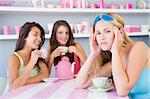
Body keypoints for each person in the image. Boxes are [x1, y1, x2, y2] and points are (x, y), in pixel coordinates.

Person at [75, 13, 150, 98]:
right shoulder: (113, 64)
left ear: (120, 33)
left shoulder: (139, 48)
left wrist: (115, 51)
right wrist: (93, 54)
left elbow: (122, 91)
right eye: (98, 33)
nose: (102, 37)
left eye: (107, 31)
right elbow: (80, 84)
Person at [8, 22, 49, 91]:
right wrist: (32, 62)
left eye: (40, 36)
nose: (39, 39)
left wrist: (23, 82)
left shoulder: (37, 55)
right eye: (35, 34)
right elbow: (13, 87)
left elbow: (45, 74)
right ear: (25, 37)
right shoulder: (14, 58)